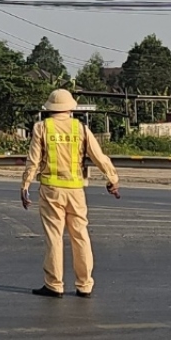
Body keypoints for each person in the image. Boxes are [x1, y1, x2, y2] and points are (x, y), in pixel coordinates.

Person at [20, 89, 121, 298]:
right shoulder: (80, 129)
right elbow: (99, 156)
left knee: (54, 238)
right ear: (70, 107)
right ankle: (84, 285)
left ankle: (54, 284)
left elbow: (33, 160)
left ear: (50, 108)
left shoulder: (42, 127)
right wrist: (113, 179)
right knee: (80, 236)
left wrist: (25, 185)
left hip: (51, 191)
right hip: (76, 191)